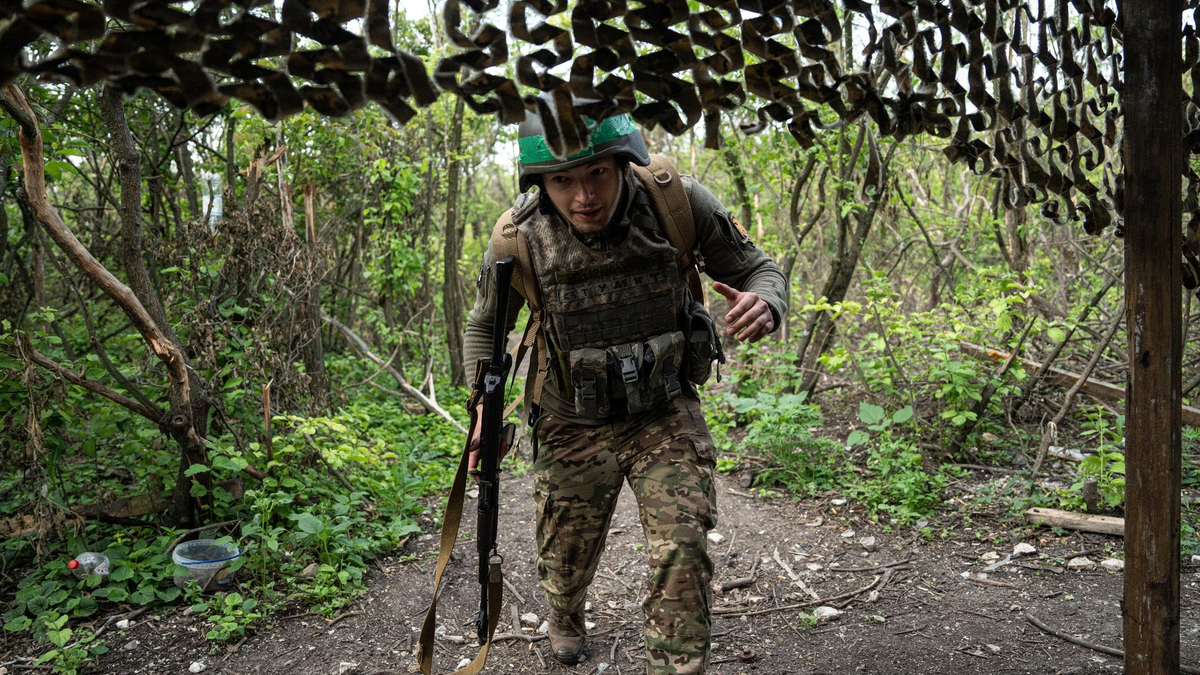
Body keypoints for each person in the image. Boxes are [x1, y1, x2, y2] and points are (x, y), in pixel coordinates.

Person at [461, 107, 787, 675]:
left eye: (597, 174)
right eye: (563, 180)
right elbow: (486, 326)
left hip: (664, 410)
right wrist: (482, 414)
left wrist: (767, 302)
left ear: (622, 163)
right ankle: (565, 611)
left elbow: (760, 269)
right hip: (569, 415)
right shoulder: (516, 236)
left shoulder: (674, 202)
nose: (583, 195)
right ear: (540, 182)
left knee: (684, 545)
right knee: (564, 563)